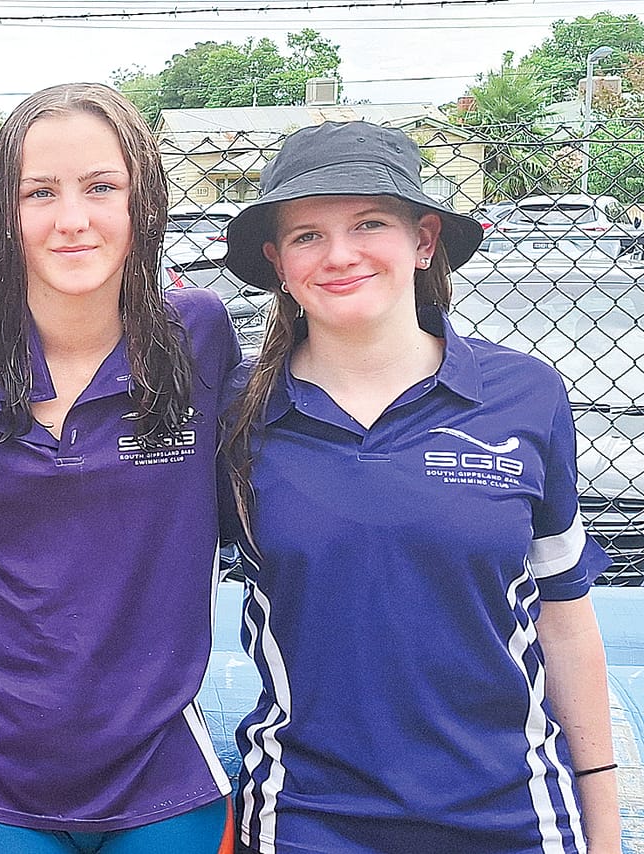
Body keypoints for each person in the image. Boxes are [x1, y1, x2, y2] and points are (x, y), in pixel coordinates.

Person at [218, 121, 618, 854]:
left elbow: (565, 621)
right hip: (307, 820)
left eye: (370, 224)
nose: (340, 255)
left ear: (424, 240)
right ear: (277, 262)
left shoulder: (524, 395)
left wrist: (604, 826)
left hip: (511, 817)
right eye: (307, 235)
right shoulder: (237, 412)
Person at [0, 82, 239, 852]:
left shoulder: (198, 338)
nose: (72, 219)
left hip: (161, 775)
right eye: (41, 192)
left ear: (144, 200)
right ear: (7, 212)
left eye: (102, 187)